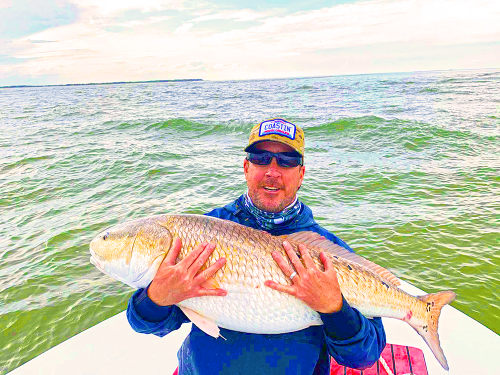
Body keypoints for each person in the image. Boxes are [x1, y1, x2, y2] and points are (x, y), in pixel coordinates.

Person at [126, 119, 386, 375]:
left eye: (286, 161)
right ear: (246, 167)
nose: (272, 171)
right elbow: (148, 325)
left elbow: (364, 355)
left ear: (301, 174)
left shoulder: (326, 250)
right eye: (261, 158)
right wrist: (155, 298)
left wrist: (335, 308)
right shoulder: (202, 233)